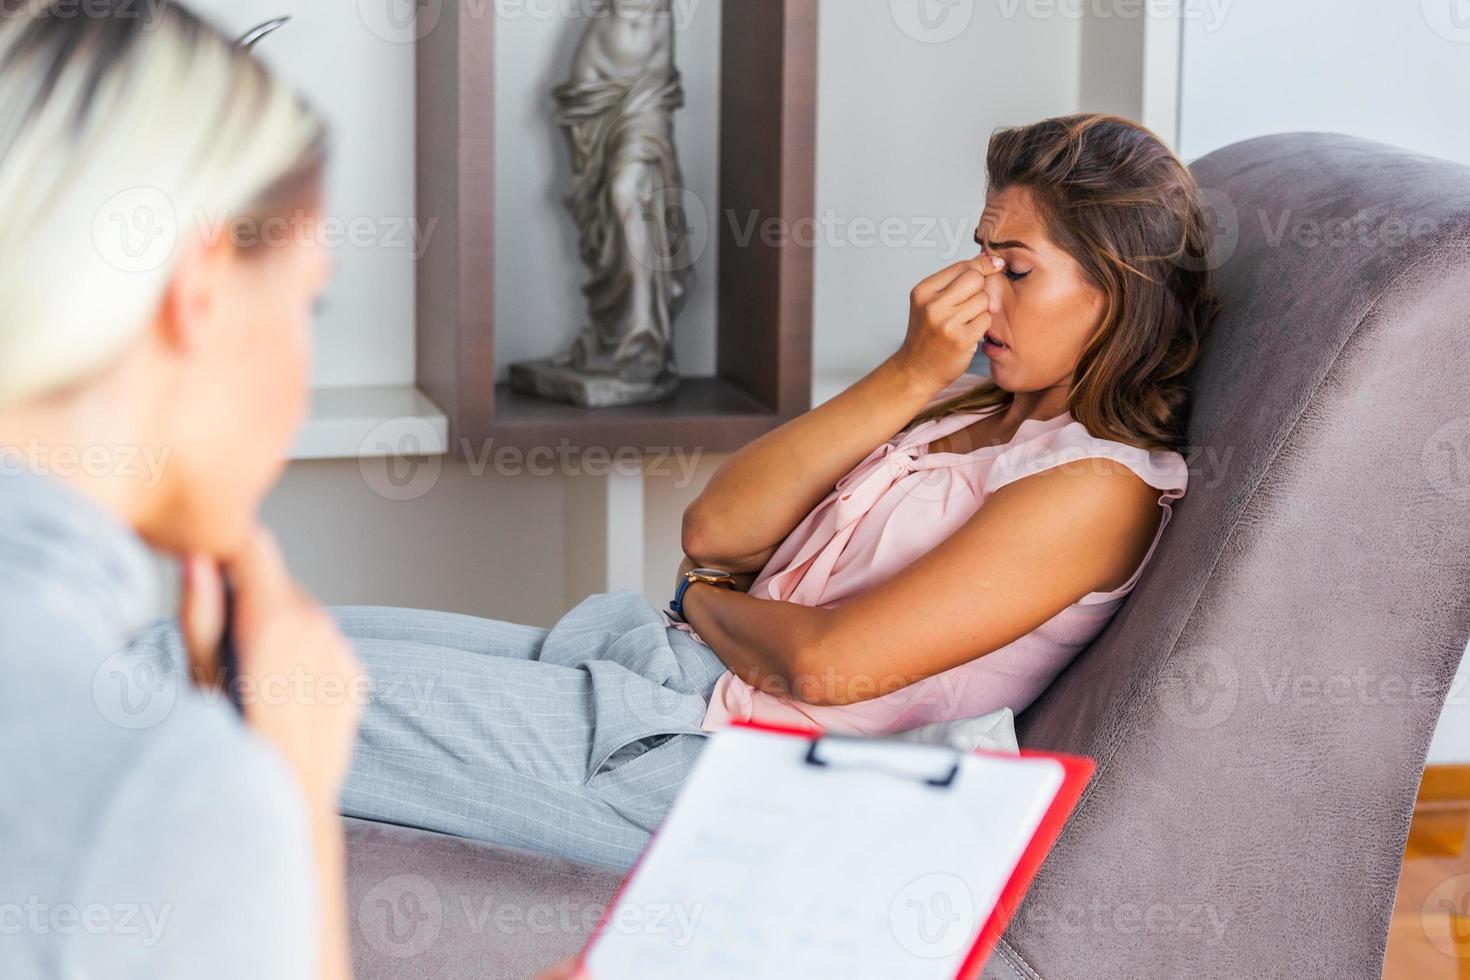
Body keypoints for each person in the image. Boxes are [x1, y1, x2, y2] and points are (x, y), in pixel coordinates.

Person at [143, 112, 1218, 875]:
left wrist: (704, 596)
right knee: (202, 641)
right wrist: (906, 375)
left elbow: (827, 661)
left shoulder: (1098, 488)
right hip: (662, 673)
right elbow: (719, 526)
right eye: (977, 250)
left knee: (216, 682)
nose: (978, 286)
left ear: (1113, 289)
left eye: (1014, 267)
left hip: (719, 764)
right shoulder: (975, 410)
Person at [0, 4, 567, 978]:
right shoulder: (169, 792)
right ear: (200, 283)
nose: (300, 375)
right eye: (309, 300)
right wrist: (289, 800)